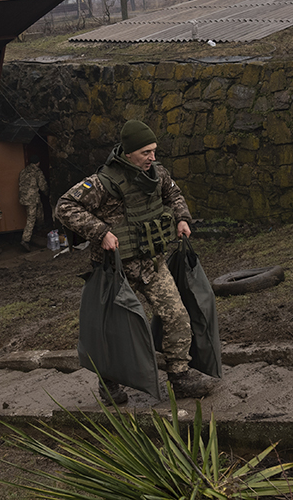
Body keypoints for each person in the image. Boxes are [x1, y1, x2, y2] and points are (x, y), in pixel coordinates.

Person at [55, 119, 214, 403]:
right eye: (145, 152)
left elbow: (174, 194)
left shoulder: (157, 174)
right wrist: (101, 232)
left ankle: (179, 376)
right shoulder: (102, 183)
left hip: (152, 263)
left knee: (177, 316)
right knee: (116, 330)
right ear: (129, 153)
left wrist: (182, 218)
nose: (152, 157)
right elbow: (65, 207)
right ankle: (109, 384)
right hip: (116, 270)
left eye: (154, 151)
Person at [18, 155, 48, 252]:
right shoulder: (37, 172)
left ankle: (39, 229)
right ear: (38, 163)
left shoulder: (23, 171)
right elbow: (43, 186)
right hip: (32, 199)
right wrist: (47, 193)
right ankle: (25, 240)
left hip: (25, 198)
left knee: (39, 212)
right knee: (31, 218)